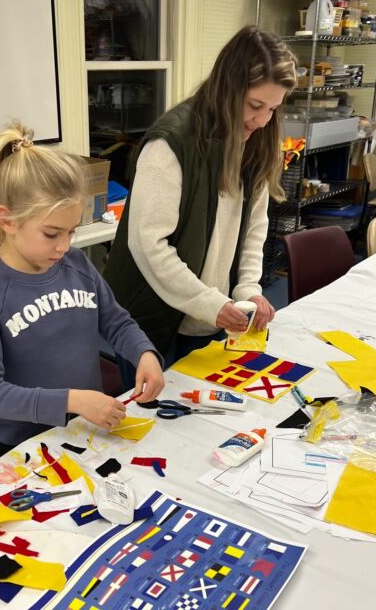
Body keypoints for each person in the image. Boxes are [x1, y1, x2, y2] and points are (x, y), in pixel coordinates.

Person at [103, 26, 297, 384]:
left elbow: (254, 225)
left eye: (273, 108)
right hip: (153, 316)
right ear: (228, 88)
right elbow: (148, 245)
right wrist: (211, 304)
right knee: (152, 420)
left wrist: (248, 289)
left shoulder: (256, 137)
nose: (263, 120)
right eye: (255, 105)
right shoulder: (171, 143)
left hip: (211, 313)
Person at [0, 121, 164, 457]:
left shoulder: (77, 264)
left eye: (72, 232)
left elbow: (116, 321)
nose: (64, 246)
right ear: (7, 220)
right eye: (52, 234)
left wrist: (143, 353)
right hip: (27, 446)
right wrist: (73, 400)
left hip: (87, 429)